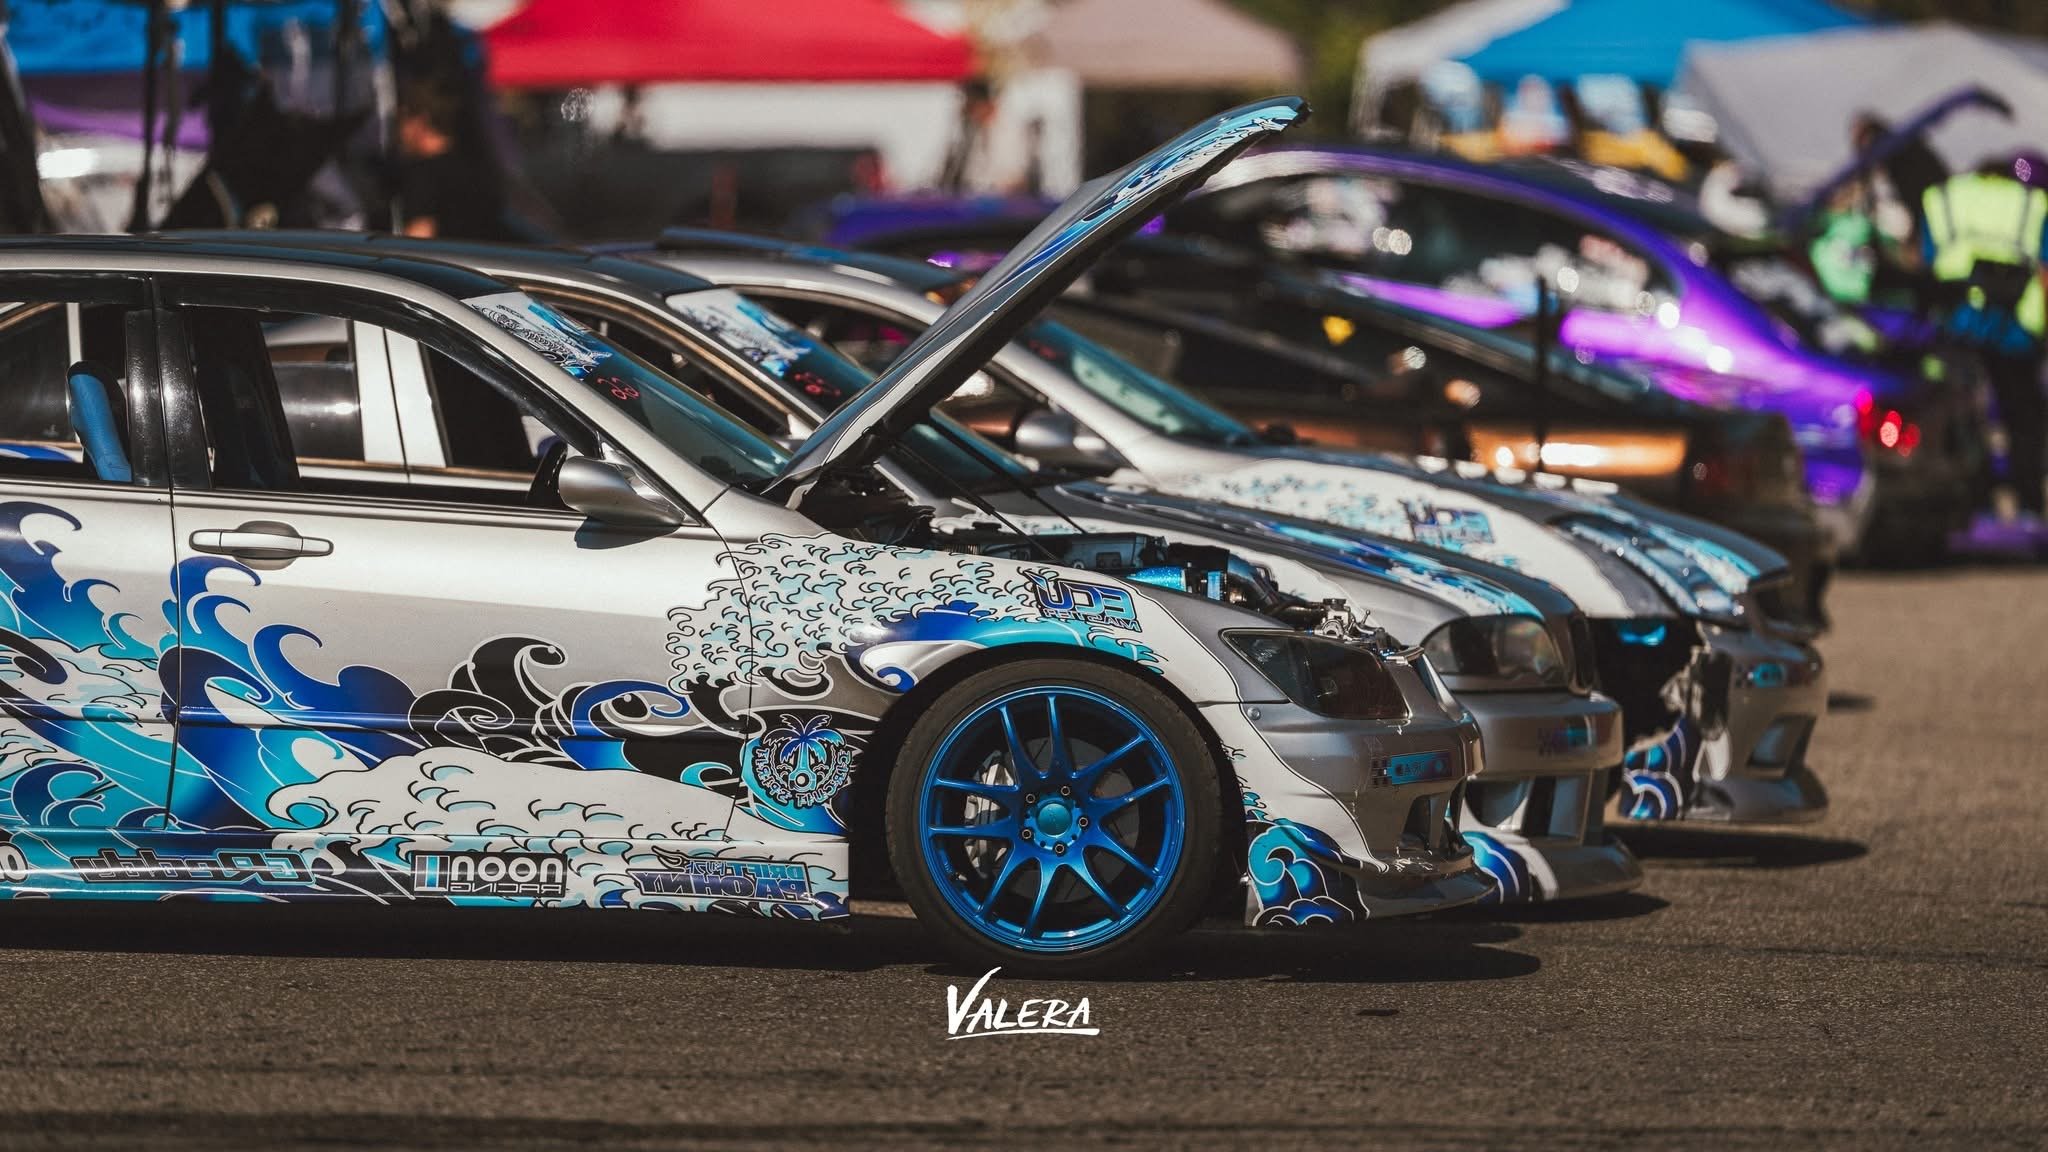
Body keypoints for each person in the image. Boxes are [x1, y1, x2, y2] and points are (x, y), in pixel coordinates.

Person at [1923, 156, 2048, 533]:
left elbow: (1928, 262)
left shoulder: (1943, 198)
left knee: (1962, 419)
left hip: (1956, 324)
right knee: (2023, 420)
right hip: (2016, 330)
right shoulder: (2032, 202)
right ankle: (2028, 509)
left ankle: (1972, 508)